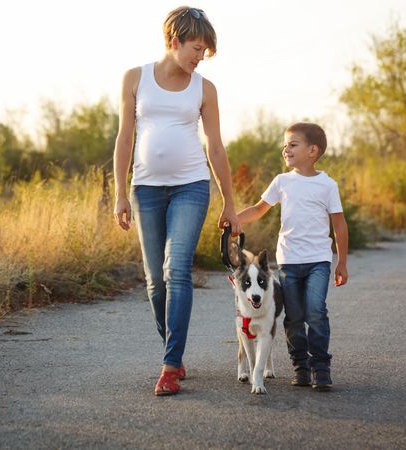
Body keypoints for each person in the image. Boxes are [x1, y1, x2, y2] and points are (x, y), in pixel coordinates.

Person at [113, 6, 240, 396]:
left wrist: (230, 203)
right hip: (146, 189)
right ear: (174, 41)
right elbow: (124, 137)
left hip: (191, 186)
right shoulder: (135, 78)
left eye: (204, 51)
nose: (199, 57)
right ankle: (175, 352)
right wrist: (119, 192)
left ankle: (170, 365)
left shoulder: (205, 89)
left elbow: (215, 147)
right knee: (155, 283)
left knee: (177, 269)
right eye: (196, 48)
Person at [236, 122, 348, 390]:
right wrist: (234, 220)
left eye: (293, 144)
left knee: (316, 311)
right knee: (294, 317)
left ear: (313, 150)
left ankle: (321, 367)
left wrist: (341, 261)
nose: (286, 148)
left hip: (318, 261)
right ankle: (300, 366)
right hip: (288, 261)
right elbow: (259, 209)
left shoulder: (327, 185)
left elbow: (339, 224)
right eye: (285, 144)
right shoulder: (282, 182)